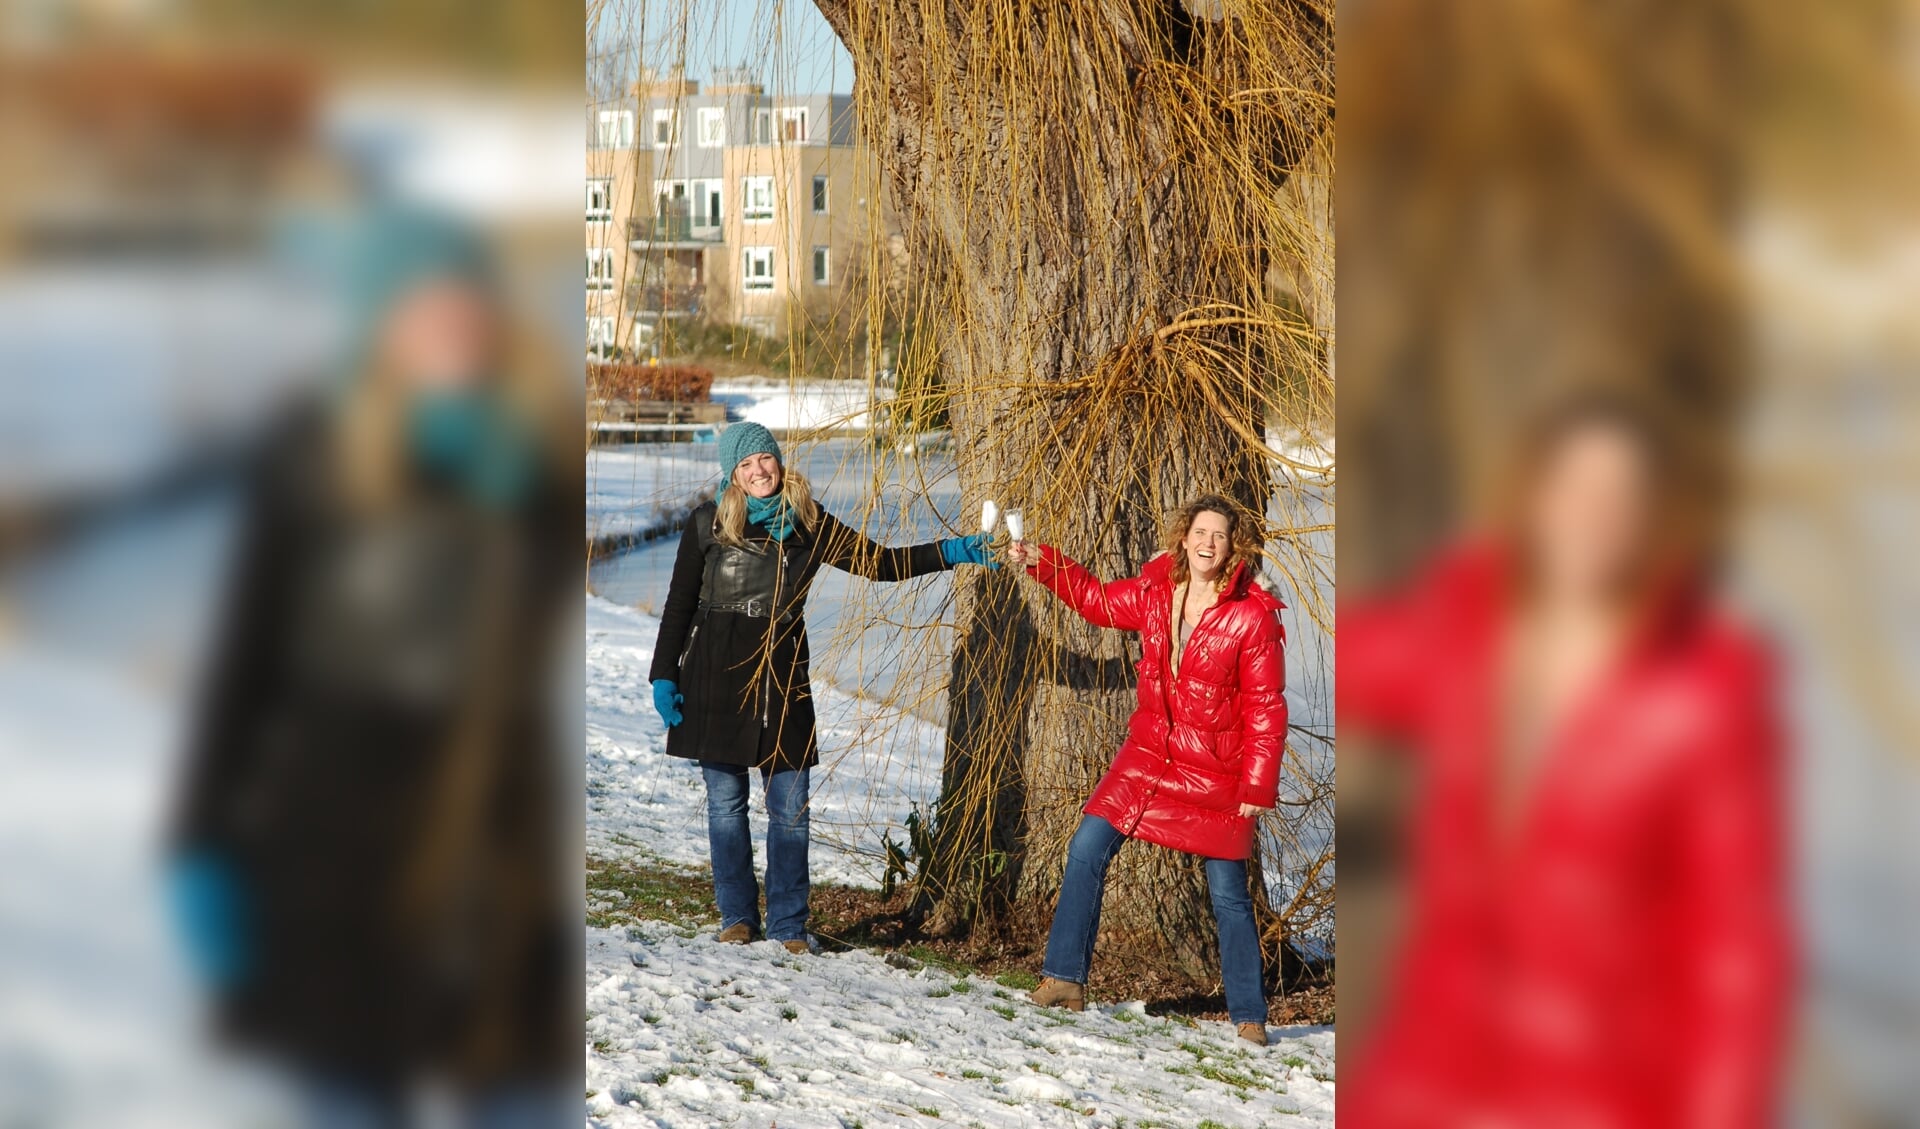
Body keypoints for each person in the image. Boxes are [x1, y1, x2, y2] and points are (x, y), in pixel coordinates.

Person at [168, 207, 580, 1125]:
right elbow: (245, 663)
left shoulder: (536, 457)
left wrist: (501, 485)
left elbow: (536, 633)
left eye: (467, 302)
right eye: (425, 306)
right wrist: (201, 840)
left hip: (490, 860)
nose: (453, 324)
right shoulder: (311, 454)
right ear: (380, 321)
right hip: (334, 868)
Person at [1338, 392, 1792, 1127]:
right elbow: (1351, 660)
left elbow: (1735, 956)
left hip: (1599, 1090)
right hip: (1428, 1074)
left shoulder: (1706, 692)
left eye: (1621, 495)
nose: (1594, 513)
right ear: (1534, 499)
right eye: (1575, 487)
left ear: (1657, 521)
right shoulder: (1468, 625)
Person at [649, 424, 995, 953]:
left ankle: (789, 925)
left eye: (765, 458)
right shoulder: (707, 524)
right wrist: (664, 675)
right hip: (713, 675)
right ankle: (738, 918)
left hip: (783, 674)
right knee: (725, 806)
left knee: (790, 807)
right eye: (746, 465)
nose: (759, 470)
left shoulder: (808, 523)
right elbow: (677, 606)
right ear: (733, 475)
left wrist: (954, 551)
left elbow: (881, 564)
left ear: (779, 461)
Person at [1005, 495, 1288, 1045]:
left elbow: (1267, 706)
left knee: (1228, 892)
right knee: (1087, 847)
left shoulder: (1253, 616)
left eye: (1220, 536)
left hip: (1217, 772)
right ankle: (1065, 980)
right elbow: (1097, 602)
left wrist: (1258, 783)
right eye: (1200, 532)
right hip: (1149, 757)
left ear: (1233, 546)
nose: (1208, 543)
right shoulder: (1157, 591)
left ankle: (1250, 1016)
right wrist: (1043, 561)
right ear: (1183, 538)